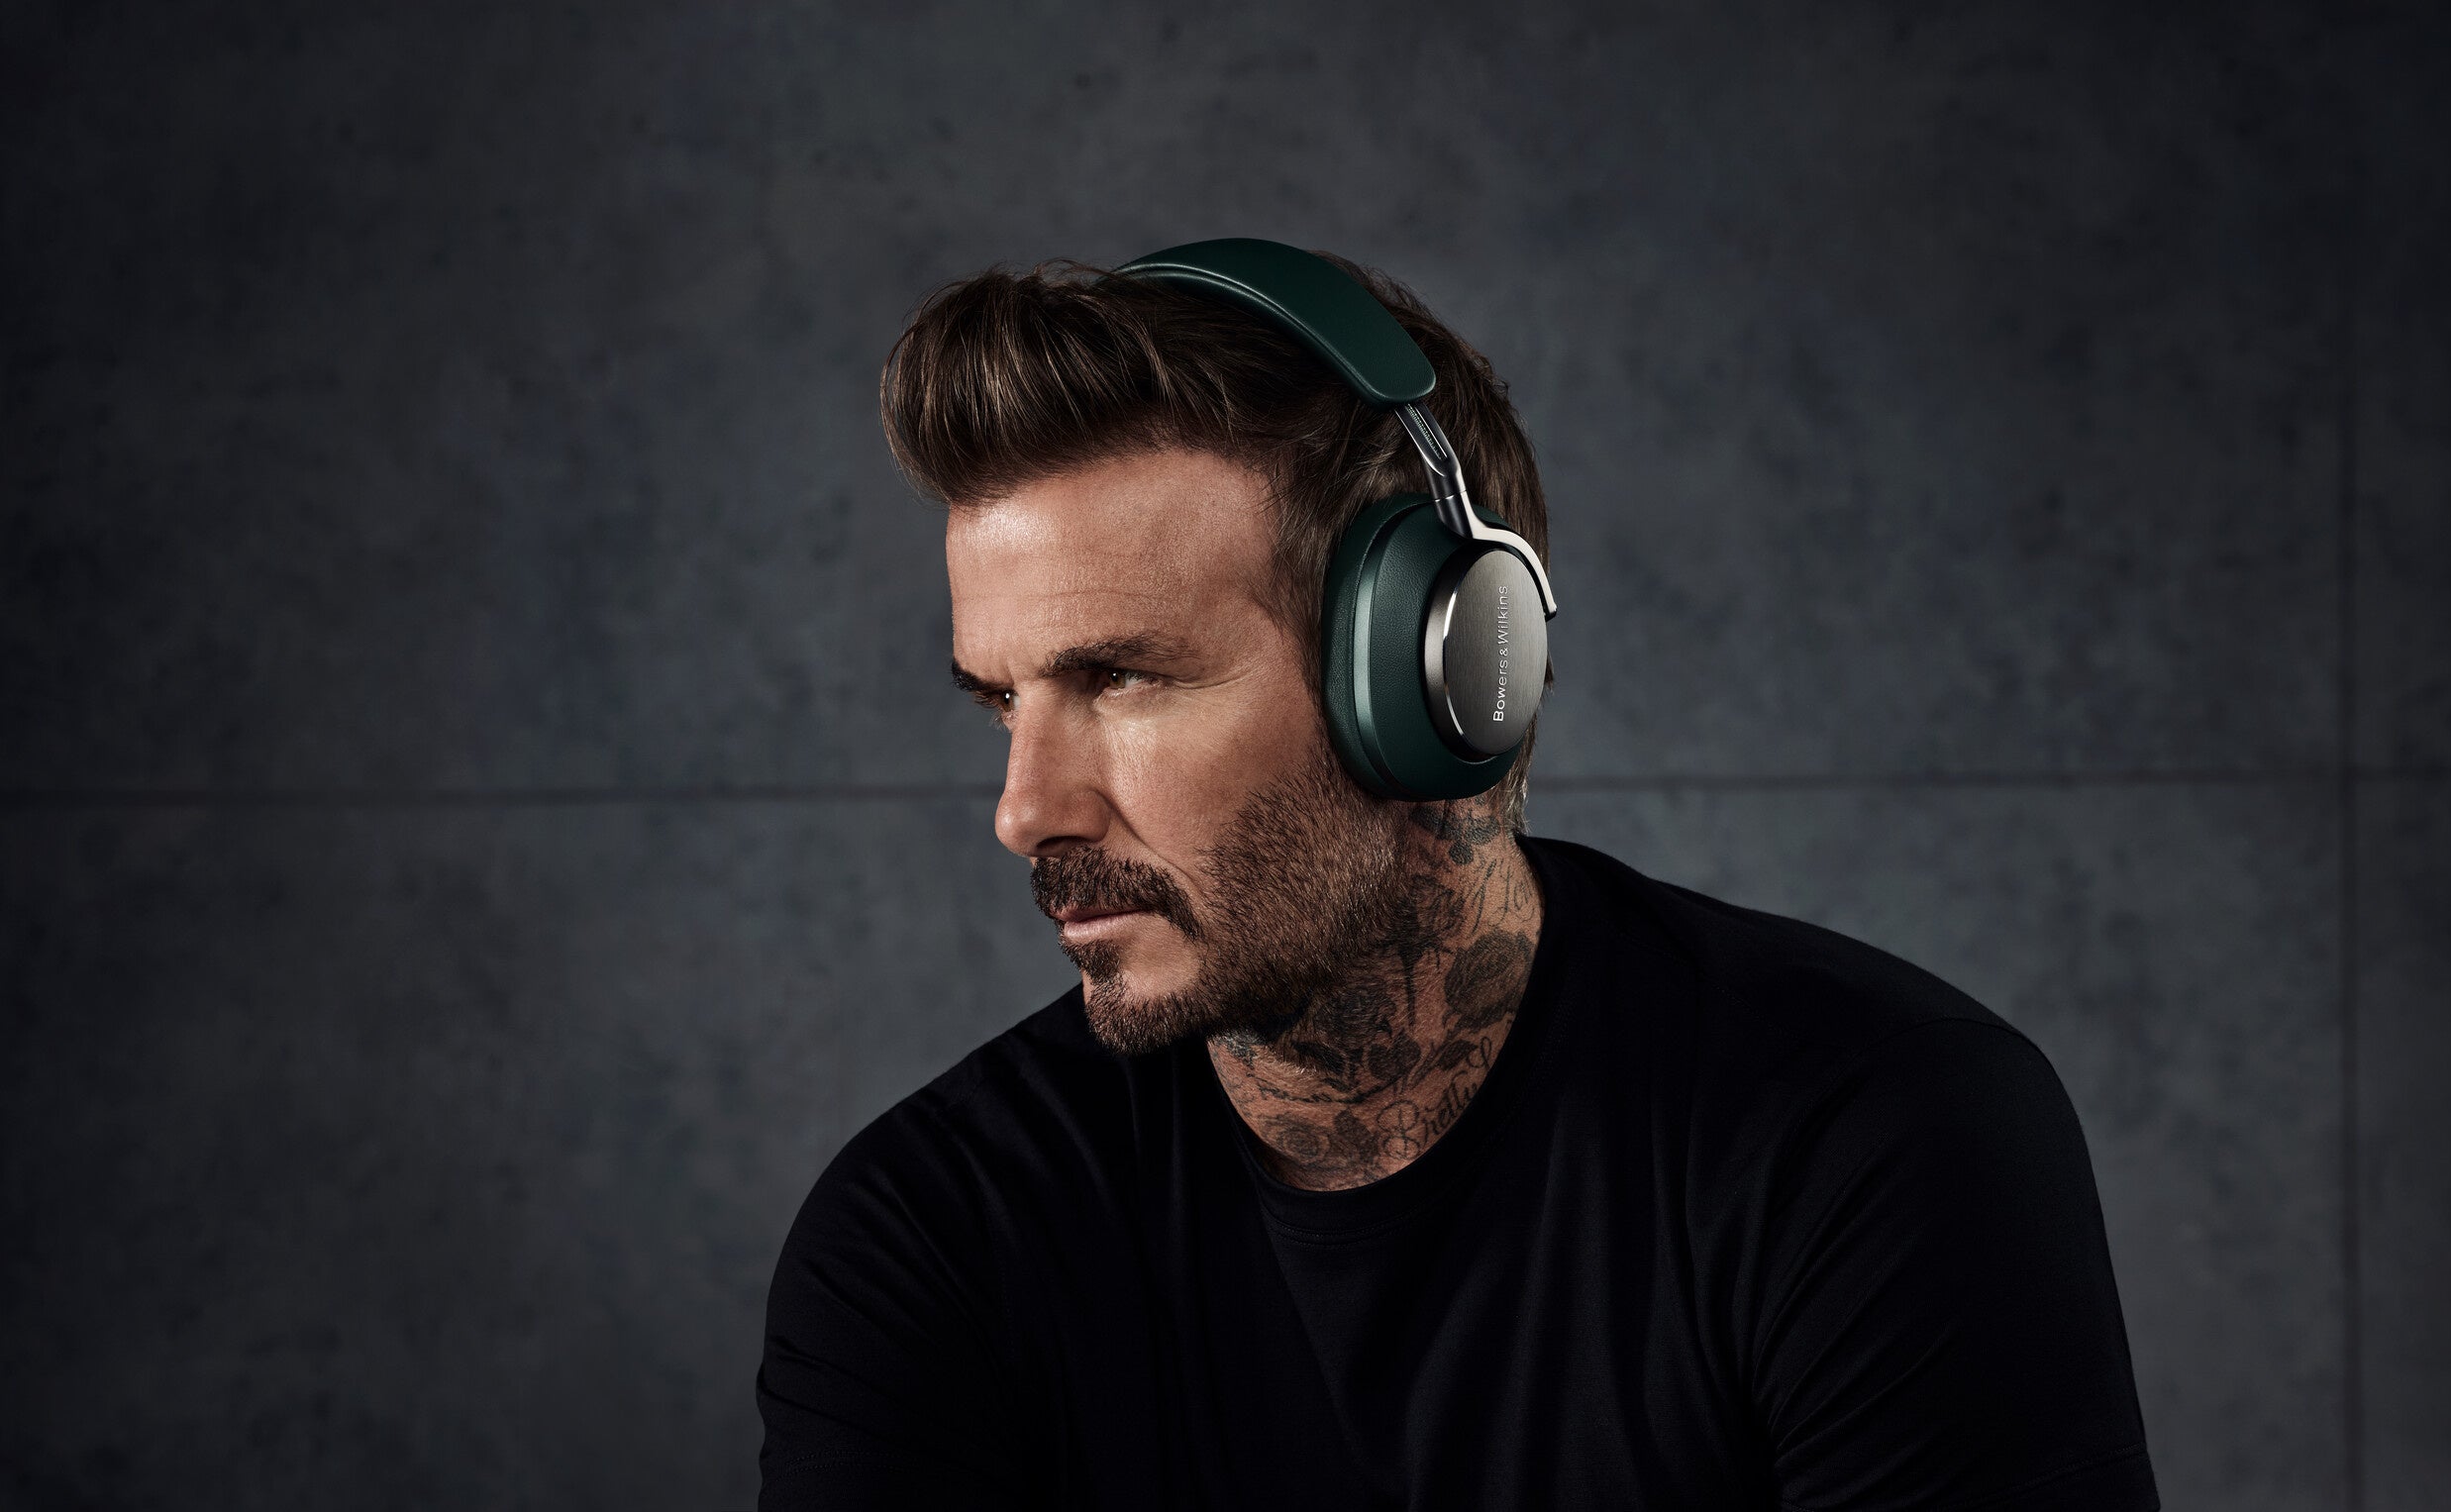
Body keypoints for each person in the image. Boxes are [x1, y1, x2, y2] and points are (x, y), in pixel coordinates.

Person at [757, 240, 2159, 1511]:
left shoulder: (1865, 1137)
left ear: (1433, 675)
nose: (1024, 811)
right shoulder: (928, 1236)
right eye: (1003, 703)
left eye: (1119, 678)